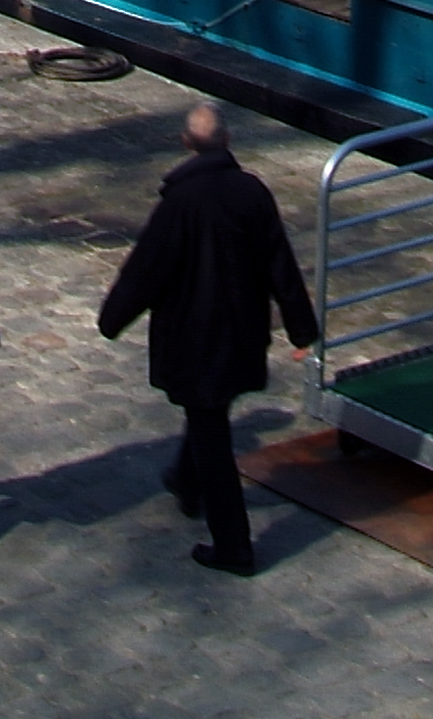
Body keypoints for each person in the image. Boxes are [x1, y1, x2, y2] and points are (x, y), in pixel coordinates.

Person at [96, 102, 319, 579]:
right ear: (228, 141)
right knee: (208, 413)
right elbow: (279, 263)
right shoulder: (252, 193)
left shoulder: (178, 203)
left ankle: (233, 545)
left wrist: (111, 319)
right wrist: (302, 329)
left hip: (193, 337)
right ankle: (186, 480)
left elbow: (146, 271)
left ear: (186, 144)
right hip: (241, 332)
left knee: (210, 429)